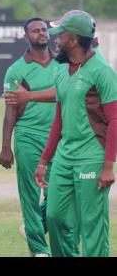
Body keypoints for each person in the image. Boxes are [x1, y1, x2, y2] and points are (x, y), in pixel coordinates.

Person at [34, 13, 117, 257]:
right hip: (64, 158)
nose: (55, 40)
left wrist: (108, 166)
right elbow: (59, 120)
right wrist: (44, 160)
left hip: (92, 157)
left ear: (73, 39)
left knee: (92, 225)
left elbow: (115, 119)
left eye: (60, 35)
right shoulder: (61, 70)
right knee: (55, 216)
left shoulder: (102, 71)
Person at [0, 18, 56, 257]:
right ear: (26, 37)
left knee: (59, 194)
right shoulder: (16, 70)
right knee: (30, 195)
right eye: (35, 31)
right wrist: (5, 146)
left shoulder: (63, 65)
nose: (41, 33)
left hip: (59, 139)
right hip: (28, 137)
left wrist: (29, 95)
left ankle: (36, 228)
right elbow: (10, 109)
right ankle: (39, 250)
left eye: (44, 29)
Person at [4, 10, 109, 105]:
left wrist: (28, 96)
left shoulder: (90, 62)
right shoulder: (87, 57)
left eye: (61, 33)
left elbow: (65, 90)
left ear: (74, 38)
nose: (57, 39)